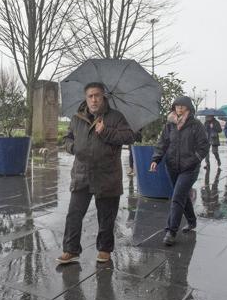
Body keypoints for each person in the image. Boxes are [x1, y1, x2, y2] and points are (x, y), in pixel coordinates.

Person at [56, 82, 135, 264]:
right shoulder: (77, 118)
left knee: (106, 216)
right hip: (82, 174)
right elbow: (67, 138)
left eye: (97, 95)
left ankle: (105, 249)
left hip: (107, 175)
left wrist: (105, 131)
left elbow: (129, 137)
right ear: (86, 98)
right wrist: (72, 146)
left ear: (103, 96)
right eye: (90, 96)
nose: (94, 99)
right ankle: (71, 249)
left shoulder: (115, 117)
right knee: (74, 213)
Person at [150, 96, 209, 246]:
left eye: (183, 106)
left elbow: (204, 147)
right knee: (182, 195)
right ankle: (191, 221)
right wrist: (155, 159)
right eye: (177, 106)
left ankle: (171, 231)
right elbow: (162, 143)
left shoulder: (196, 125)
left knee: (177, 197)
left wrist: (193, 160)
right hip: (172, 167)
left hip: (189, 168)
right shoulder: (170, 125)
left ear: (189, 108)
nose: (180, 108)